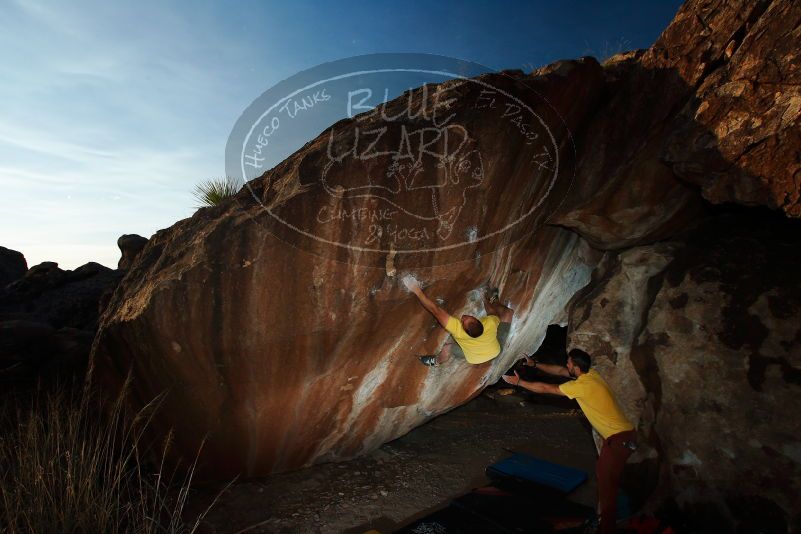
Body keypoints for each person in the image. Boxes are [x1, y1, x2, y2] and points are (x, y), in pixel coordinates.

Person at [503, 348, 635, 534]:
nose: (567, 365)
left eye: (569, 363)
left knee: (607, 487)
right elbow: (559, 371)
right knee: (606, 480)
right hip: (622, 436)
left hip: (618, 440)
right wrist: (535, 364)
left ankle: (606, 527)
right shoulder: (590, 375)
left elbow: (547, 388)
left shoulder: (581, 386)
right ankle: (605, 519)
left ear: (577, 367)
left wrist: (519, 382)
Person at [403, 277, 513, 366]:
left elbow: (435, 310)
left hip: (474, 357)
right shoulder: (491, 322)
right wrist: (483, 298)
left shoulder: (458, 330)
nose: (464, 316)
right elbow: (493, 313)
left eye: (463, 321)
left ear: (464, 330)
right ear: (480, 321)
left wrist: (416, 289)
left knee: (447, 347)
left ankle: (436, 361)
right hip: (495, 349)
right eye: (469, 317)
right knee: (508, 313)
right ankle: (492, 299)